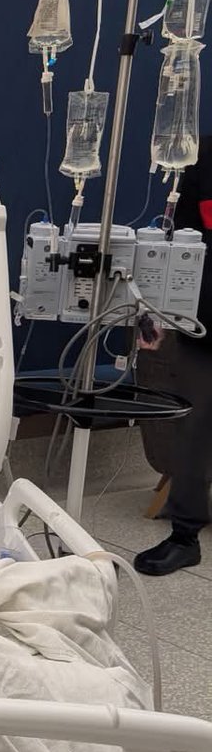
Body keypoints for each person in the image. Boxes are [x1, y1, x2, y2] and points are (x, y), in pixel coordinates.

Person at [134, 138, 212, 575]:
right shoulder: (200, 160)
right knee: (192, 426)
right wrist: (154, 313)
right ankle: (185, 536)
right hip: (206, 325)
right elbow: (173, 246)